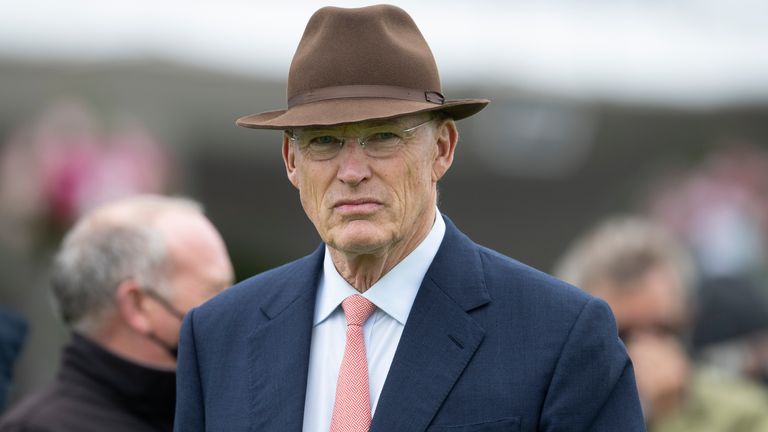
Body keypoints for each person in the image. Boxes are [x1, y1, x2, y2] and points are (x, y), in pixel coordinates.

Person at [174, 5, 644, 432]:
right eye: (323, 141)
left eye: (382, 136)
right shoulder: (217, 337)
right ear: (291, 161)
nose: (353, 172)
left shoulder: (559, 335)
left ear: (442, 149)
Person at [0, 195, 234, 432]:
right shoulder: (39, 428)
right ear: (138, 305)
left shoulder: (216, 412)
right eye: (215, 290)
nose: (234, 306)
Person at [555, 216, 768, 432]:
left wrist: (668, 417)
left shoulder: (744, 413)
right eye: (621, 335)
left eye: (662, 330)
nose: (645, 352)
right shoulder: (551, 409)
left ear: (687, 318)